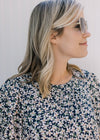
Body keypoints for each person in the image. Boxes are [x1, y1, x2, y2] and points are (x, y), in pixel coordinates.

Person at [0, 0, 100, 139]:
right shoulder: (14, 93)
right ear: (53, 35)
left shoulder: (89, 83)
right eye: (78, 26)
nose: (87, 33)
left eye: (85, 25)